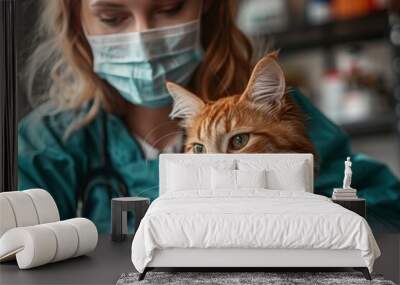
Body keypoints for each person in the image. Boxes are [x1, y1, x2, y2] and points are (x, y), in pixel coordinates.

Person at [18, 0, 400, 233]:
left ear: (207, 6)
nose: (143, 37)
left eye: (168, 7)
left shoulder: (280, 109)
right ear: (77, 21)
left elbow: (385, 213)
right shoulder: (47, 140)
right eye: (112, 17)